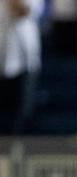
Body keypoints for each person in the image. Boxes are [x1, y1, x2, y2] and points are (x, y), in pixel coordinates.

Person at [0, 0, 43, 134]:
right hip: (3, 52)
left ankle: (18, 144)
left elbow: (24, 10)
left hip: (24, 57)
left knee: (22, 108)